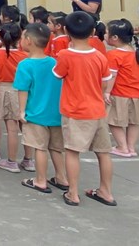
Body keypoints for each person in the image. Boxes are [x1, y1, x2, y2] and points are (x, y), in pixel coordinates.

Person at [53, 11, 116, 207]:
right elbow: (105, 82)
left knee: (72, 151)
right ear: (92, 32)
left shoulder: (65, 55)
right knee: (103, 152)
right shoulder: (99, 56)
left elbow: (58, 75)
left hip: (75, 111)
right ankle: (106, 191)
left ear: (66, 30)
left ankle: (73, 193)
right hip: (97, 110)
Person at [14, 23, 69, 194]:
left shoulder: (25, 65)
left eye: (22, 37)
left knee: (40, 148)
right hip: (55, 113)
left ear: (28, 40)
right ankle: (62, 177)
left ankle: (40, 180)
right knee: (56, 148)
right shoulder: (54, 62)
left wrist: (21, 111)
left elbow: (23, 90)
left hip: (35, 113)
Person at [0, 23, 28, 172]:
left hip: (5, 90)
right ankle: (28, 159)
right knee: (25, 126)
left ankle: (12, 161)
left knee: (11, 127)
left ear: (0, 37)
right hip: (23, 91)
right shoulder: (24, 56)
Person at [103, 19, 139, 156]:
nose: (104, 35)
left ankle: (122, 147)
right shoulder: (136, 54)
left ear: (115, 37)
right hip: (138, 94)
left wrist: (107, 92)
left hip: (120, 93)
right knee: (134, 122)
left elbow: (112, 75)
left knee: (113, 120)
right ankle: (131, 148)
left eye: (106, 33)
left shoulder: (113, 55)